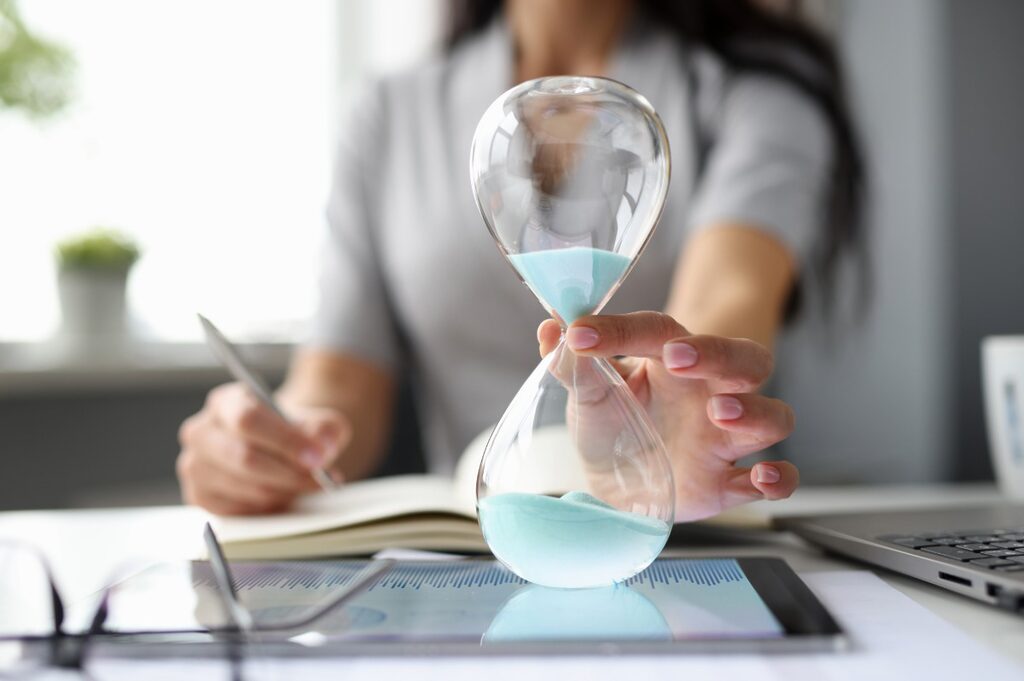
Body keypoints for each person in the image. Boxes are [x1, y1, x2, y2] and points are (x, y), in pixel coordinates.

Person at [176, 0, 864, 521]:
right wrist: (273, 445)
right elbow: (339, 385)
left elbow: (725, 298)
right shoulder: (390, 110)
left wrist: (679, 397)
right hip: (471, 536)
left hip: (684, 519)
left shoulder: (752, 92)